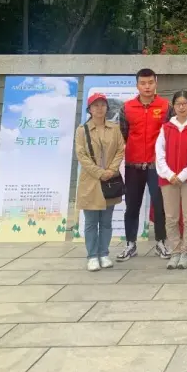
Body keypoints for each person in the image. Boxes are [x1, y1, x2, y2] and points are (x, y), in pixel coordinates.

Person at [116, 68, 172, 261]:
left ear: (156, 83)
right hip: (133, 165)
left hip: (157, 166)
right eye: (143, 83)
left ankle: (161, 243)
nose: (147, 86)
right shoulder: (127, 107)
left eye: (150, 82)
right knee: (132, 206)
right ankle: (130, 244)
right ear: (137, 85)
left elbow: (169, 136)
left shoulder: (166, 106)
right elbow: (122, 135)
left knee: (160, 205)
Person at [75, 93, 125, 271]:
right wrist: (100, 173)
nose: (99, 108)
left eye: (102, 105)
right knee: (91, 222)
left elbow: (120, 150)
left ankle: (104, 253)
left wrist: (111, 170)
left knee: (106, 221)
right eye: (95, 105)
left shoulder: (114, 128)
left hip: (110, 181)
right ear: (89, 109)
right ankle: (92, 256)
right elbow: (81, 155)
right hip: (90, 182)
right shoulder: (82, 130)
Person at [155, 90, 187, 270]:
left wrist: (183, 175)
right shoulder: (166, 127)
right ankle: (175, 251)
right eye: (178, 104)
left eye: (185, 103)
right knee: (171, 217)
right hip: (168, 180)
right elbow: (159, 154)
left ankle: (186, 251)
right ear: (173, 106)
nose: (181, 107)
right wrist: (169, 174)